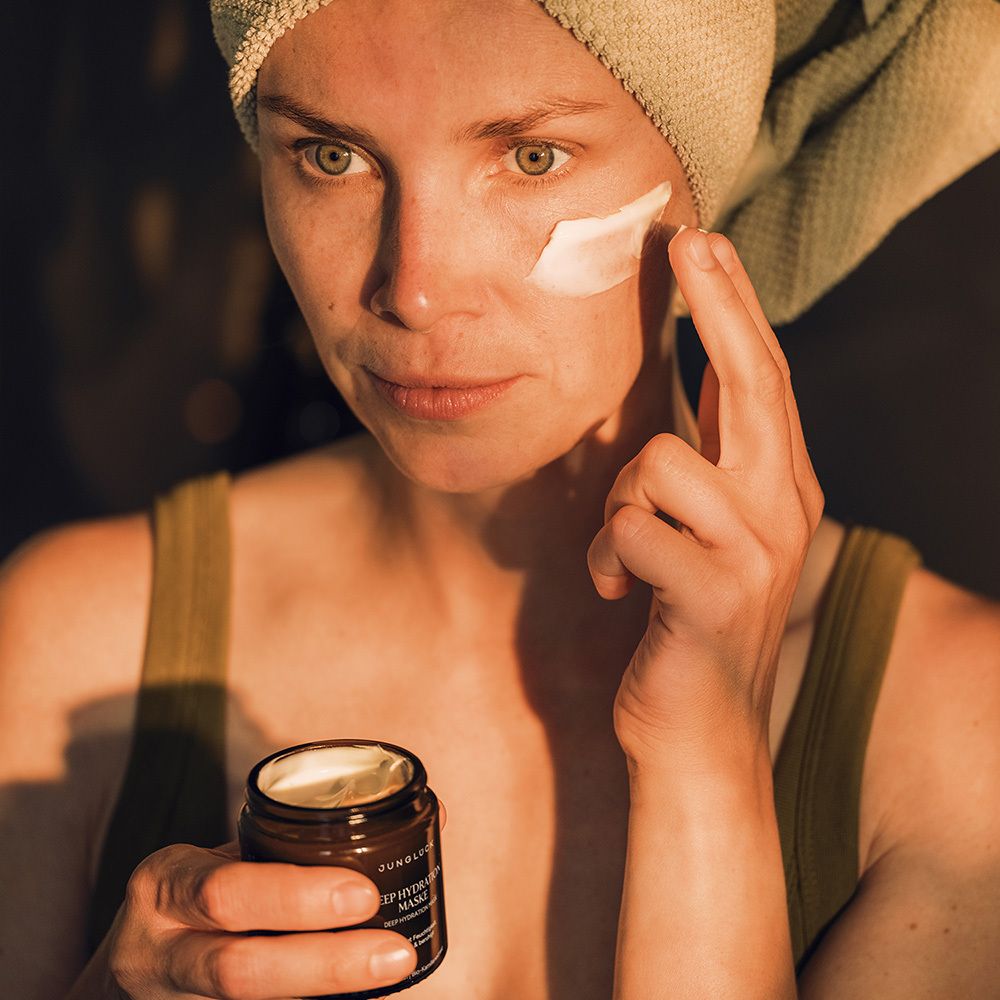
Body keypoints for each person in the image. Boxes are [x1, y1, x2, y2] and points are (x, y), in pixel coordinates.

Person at [1, 1, 998, 997]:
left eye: (532, 158)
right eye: (330, 155)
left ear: (706, 172)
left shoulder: (958, 728)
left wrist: (704, 772)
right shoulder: (73, 643)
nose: (416, 289)